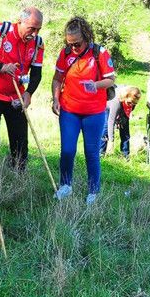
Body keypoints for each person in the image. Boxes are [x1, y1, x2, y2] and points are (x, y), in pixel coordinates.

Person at [51, 16, 115, 205]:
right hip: (69, 110)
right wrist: (56, 98)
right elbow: (57, 79)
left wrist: (95, 85)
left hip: (94, 112)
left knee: (92, 152)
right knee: (67, 150)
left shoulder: (99, 53)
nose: (73, 48)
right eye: (70, 44)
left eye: (77, 44)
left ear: (87, 37)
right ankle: (65, 185)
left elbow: (111, 80)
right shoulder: (65, 53)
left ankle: (93, 191)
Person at [0, 7, 45, 172]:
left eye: (38, 29)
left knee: (20, 140)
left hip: (16, 97)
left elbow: (36, 73)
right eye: (32, 28)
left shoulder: (38, 43)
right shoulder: (0, 31)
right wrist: (1, 67)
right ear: (20, 22)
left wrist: (29, 93)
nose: (34, 33)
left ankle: (19, 175)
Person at [101, 86, 141, 158]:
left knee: (125, 131)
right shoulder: (116, 102)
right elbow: (111, 121)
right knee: (106, 129)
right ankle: (101, 153)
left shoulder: (132, 102)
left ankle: (125, 155)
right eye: (130, 102)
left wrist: (120, 120)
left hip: (123, 107)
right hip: (108, 106)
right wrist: (111, 141)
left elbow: (128, 109)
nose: (131, 105)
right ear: (125, 97)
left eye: (134, 103)